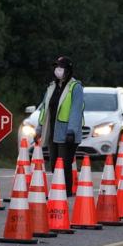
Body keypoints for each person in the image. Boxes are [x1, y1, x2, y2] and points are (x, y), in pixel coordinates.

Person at [35, 56, 84, 195]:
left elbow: (76, 110)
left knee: (64, 163)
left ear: (68, 70)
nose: (58, 70)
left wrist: (72, 131)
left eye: (61, 67)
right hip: (52, 131)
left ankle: (66, 191)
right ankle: (58, 188)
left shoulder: (75, 87)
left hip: (67, 133)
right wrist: (39, 127)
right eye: (56, 67)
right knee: (54, 163)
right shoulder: (52, 87)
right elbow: (45, 108)